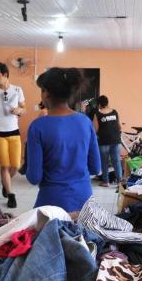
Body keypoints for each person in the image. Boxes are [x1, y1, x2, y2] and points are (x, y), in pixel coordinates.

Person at [26, 68, 101, 218]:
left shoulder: (38, 126)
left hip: (52, 204)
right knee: (84, 241)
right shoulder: (85, 122)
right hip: (84, 203)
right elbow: (95, 168)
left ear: (46, 93)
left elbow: (34, 177)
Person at [0, 62, 26, 208]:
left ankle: (5, 182)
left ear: (5, 75)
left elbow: (24, 108)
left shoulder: (17, 90)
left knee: (16, 165)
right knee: (5, 165)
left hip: (14, 131)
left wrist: (19, 111)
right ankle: (11, 195)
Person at [93, 95, 122, 187]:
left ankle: (106, 182)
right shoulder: (114, 112)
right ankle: (120, 182)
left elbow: (95, 129)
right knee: (116, 161)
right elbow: (119, 126)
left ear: (99, 104)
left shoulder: (98, 114)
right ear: (107, 102)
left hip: (103, 141)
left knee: (104, 162)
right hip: (115, 140)